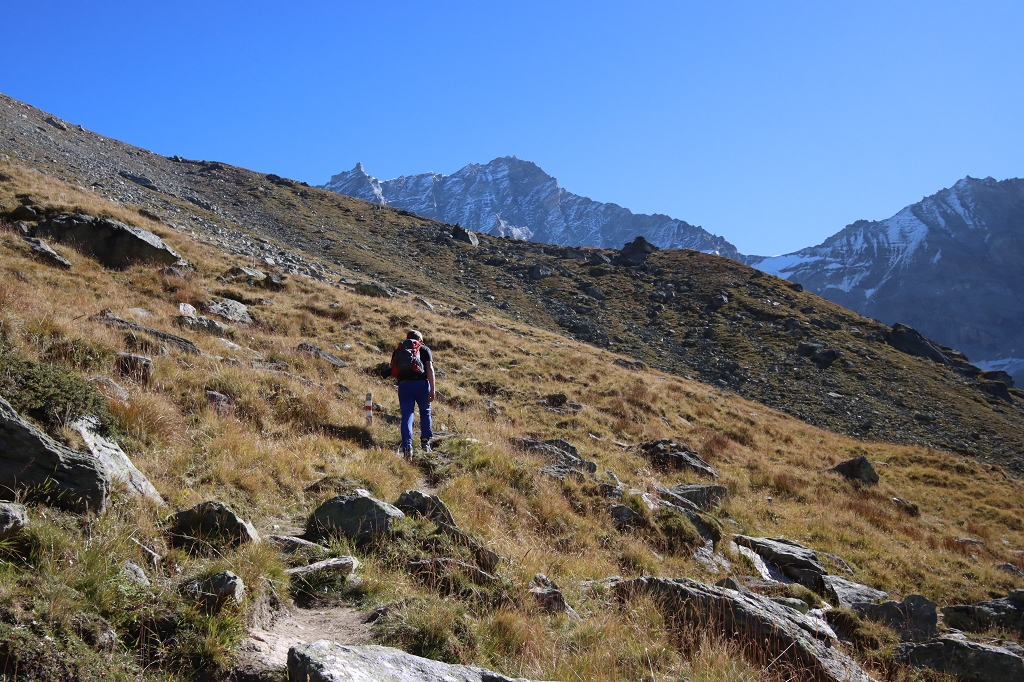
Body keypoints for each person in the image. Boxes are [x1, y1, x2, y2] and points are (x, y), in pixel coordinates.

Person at [391, 329, 435, 458]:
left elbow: (393, 370)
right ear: (420, 340)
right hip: (422, 385)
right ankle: (425, 443)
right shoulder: (424, 349)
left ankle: (407, 448)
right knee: (425, 412)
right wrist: (432, 388)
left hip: (404, 386)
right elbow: (429, 369)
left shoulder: (398, 350)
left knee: (407, 416)